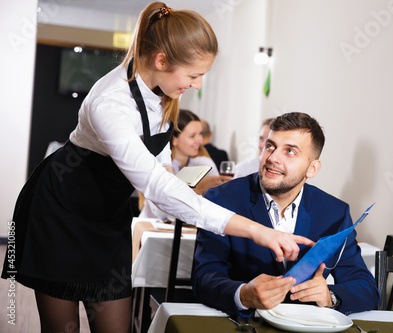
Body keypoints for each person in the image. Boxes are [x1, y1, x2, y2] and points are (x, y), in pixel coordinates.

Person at [1, 4, 312, 333]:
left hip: (109, 217)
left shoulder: (163, 91)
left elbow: (159, 163)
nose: (197, 85)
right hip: (62, 212)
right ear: (161, 60)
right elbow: (155, 185)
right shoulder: (111, 102)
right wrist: (258, 230)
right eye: (193, 75)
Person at [193, 112, 379, 317]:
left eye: (290, 151)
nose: (273, 158)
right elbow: (204, 277)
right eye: (270, 146)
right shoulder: (221, 199)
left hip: (307, 326)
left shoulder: (334, 213)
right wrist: (243, 295)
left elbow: (366, 288)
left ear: (312, 168)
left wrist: (329, 296)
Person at [139, 109, 232, 220]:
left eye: (200, 134)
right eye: (192, 136)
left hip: (187, 230)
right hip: (152, 227)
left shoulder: (204, 163)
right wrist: (197, 189)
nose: (200, 140)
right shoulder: (160, 165)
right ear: (174, 139)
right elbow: (160, 212)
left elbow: (218, 203)